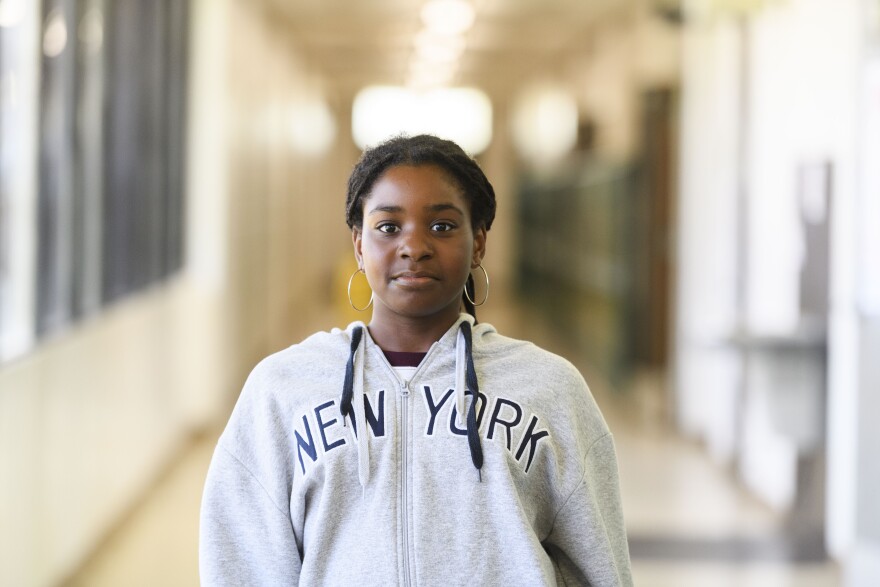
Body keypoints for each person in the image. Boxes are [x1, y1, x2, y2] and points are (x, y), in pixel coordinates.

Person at [199, 134, 633, 586]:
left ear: (478, 242)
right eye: (388, 227)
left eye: (442, 226)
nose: (414, 246)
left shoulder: (550, 388)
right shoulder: (281, 390)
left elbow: (599, 570)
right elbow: (243, 565)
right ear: (359, 245)